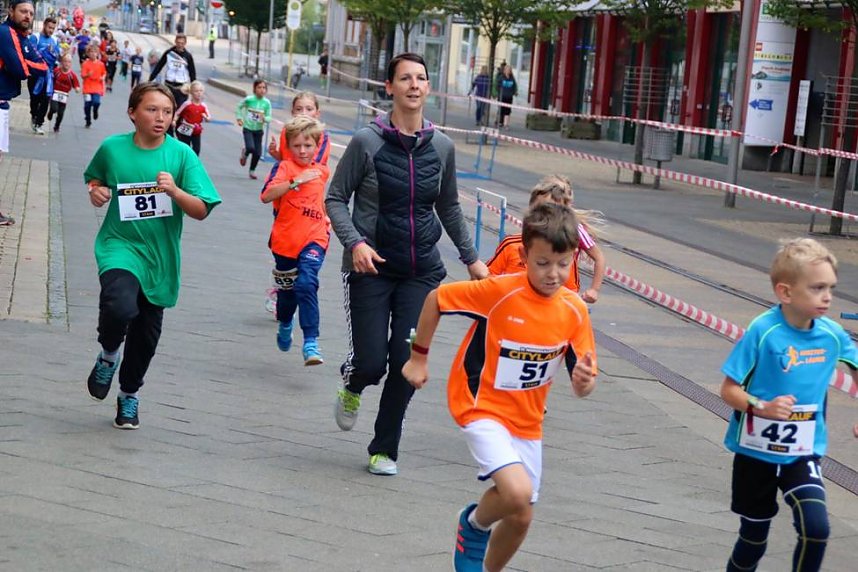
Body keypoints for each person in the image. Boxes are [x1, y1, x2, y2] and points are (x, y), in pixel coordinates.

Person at [402, 203, 598, 572]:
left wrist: (583, 381)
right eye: (543, 264)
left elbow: (583, 384)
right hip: (481, 405)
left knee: (521, 515)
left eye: (563, 264)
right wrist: (419, 358)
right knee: (517, 492)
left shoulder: (575, 310)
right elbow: (436, 300)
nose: (553, 275)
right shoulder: (499, 291)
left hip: (528, 421)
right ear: (524, 256)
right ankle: (473, 525)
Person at [326, 52, 489, 477]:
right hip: (371, 269)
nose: (414, 85)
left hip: (422, 273)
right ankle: (353, 383)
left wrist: (471, 260)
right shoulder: (367, 142)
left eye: (420, 78)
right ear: (390, 88)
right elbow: (335, 198)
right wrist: (356, 242)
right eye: (405, 78)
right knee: (371, 361)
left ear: (428, 88)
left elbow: (450, 208)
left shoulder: (442, 146)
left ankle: (384, 448)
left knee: (406, 360)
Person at [84, 82, 221, 430]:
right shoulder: (112, 149)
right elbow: (95, 178)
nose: (160, 118)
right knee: (118, 305)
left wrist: (174, 191)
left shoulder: (181, 156)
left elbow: (202, 209)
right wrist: (95, 191)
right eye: (151, 109)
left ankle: (129, 395)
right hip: (119, 245)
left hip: (160, 257)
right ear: (132, 112)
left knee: (146, 334)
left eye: (167, 111)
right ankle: (109, 354)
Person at [719, 238, 858, 572]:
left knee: (816, 529)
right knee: (753, 539)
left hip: (803, 451)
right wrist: (760, 406)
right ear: (786, 292)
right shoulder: (762, 331)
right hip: (756, 453)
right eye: (817, 288)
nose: (827, 296)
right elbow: (728, 389)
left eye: (831, 288)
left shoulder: (832, 334)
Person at [261, 115, 331, 365]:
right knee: (288, 294)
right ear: (289, 146)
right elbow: (267, 195)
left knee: (307, 283)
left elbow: (321, 199)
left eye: (308, 145)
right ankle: (285, 322)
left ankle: (311, 342)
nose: (303, 150)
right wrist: (294, 182)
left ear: (317, 145)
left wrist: (326, 216)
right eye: (297, 145)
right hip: (285, 241)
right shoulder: (284, 168)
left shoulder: (322, 171)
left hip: (315, 237)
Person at [487, 175, 605, 303]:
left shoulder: (575, 230)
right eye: (541, 211)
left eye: (563, 263)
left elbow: (599, 257)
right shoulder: (513, 244)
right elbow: (487, 277)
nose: (547, 217)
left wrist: (594, 289)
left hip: (562, 298)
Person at [0, 0, 48, 159]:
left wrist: (18, 61)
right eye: (23, 11)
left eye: (31, 13)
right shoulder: (6, 32)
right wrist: (18, 64)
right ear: (11, 11)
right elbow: (20, 72)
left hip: (4, 102)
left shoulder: (23, 38)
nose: (28, 16)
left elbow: (43, 68)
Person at [148, 33, 196, 131]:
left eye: (182, 43)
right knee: (168, 110)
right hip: (169, 86)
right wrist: (150, 79)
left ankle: (178, 133)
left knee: (179, 112)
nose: (180, 45)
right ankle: (169, 133)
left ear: (185, 43)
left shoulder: (188, 56)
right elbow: (159, 66)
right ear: (175, 42)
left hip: (181, 88)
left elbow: (192, 72)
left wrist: (193, 88)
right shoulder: (169, 53)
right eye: (178, 42)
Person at [27, 15, 60, 135]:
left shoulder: (55, 40)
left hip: (48, 76)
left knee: (46, 99)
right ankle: (33, 115)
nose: (51, 30)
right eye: (49, 27)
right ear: (44, 25)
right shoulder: (35, 37)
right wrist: (44, 54)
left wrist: (55, 57)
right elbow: (31, 54)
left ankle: (39, 123)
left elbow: (57, 55)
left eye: (53, 28)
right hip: (35, 74)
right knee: (34, 98)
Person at [235, 79, 271, 180]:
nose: (262, 90)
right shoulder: (249, 99)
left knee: (258, 153)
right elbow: (239, 106)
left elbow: (269, 116)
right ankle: (245, 154)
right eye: (259, 87)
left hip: (259, 130)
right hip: (248, 128)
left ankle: (252, 170)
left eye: (264, 88)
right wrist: (239, 118)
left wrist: (265, 119)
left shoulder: (267, 103)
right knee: (251, 147)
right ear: (254, 89)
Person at [46, 53, 81, 133]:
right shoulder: (57, 71)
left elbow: (76, 85)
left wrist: (77, 89)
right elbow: (51, 79)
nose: (66, 64)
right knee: (54, 108)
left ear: (71, 64)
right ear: (61, 62)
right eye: (65, 61)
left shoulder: (72, 75)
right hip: (55, 93)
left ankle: (57, 126)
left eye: (69, 62)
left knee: (61, 113)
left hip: (64, 96)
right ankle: (51, 112)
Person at [174, 80, 210, 156]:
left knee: (197, 149)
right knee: (185, 148)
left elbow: (209, 117)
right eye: (196, 91)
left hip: (196, 130)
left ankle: (192, 164)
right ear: (191, 92)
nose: (199, 93)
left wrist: (206, 118)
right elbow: (177, 113)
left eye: (201, 91)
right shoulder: (187, 104)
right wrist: (174, 120)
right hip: (186, 128)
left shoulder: (203, 105)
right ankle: (183, 163)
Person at [81, 44, 106, 128]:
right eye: (91, 52)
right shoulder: (85, 63)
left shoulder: (101, 64)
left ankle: (95, 110)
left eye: (95, 52)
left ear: (97, 53)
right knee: (87, 105)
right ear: (88, 53)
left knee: (96, 102)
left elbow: (104, 73)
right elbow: (82, 76)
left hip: (97, 86)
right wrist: (88, 75)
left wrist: (103, 77)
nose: (93, 54)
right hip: (87, 87)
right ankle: (88, 119)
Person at [497, 64, 517, 129]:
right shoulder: (501, 77)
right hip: (502, 96)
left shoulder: (512, 78)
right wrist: (498, 92)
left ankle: (506, 124)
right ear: (505, 70)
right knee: (501, 109)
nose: (508, 71)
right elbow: (497, 85)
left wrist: (514, 92)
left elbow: (514, 86)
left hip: (509, 96)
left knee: (507, 110)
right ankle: (500, 122)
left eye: (509, 70)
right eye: (507, 70)